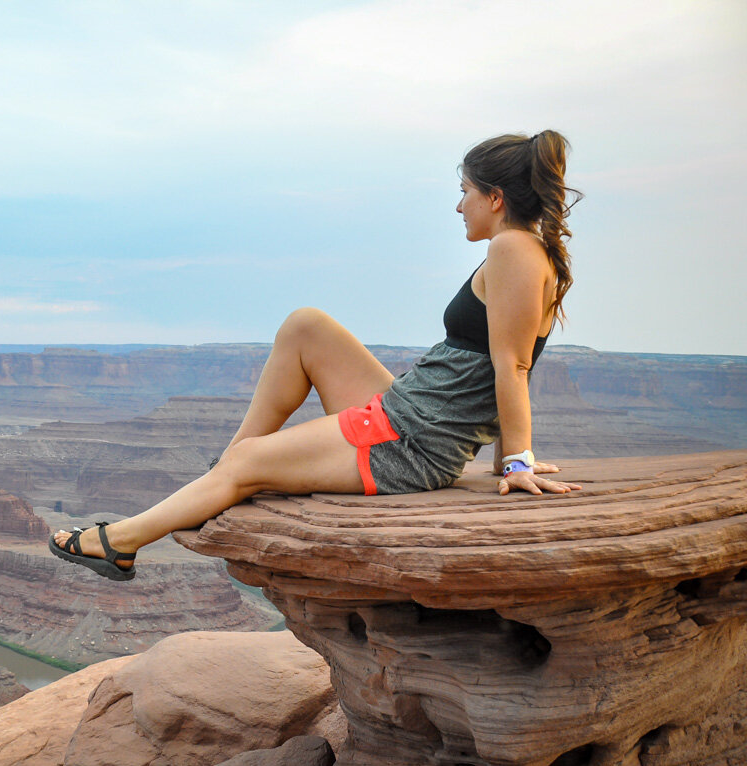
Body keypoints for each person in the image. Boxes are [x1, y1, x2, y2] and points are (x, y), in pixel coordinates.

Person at [50, 130, 583, 581]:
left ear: (494, 198)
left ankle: (120, 541)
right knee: (305, 326)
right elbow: (505, 361)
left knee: (247, 466)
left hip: (409, 440)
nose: (457, 204)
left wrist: (517, 461)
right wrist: (498, 454)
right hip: (408, 413)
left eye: (464, 191)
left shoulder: (511, 249)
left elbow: (512, 364)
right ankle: (229, 471)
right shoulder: (533, 252)